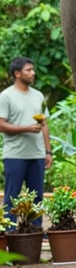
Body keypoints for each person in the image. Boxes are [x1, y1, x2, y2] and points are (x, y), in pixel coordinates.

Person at [0, 57, 52, 226]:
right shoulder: (6, 96)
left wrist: (48, 151)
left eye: (32, 69)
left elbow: (44, 124)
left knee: (37, 196)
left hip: (36, 154)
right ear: (17, 73)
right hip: (15, 155)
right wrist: (27, 128)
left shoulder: (38, 95)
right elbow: (1, 125)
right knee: (12, 195)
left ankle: (36, 231)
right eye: (28, 70)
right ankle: (8, 230)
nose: (33, 73)